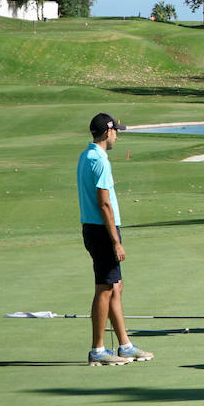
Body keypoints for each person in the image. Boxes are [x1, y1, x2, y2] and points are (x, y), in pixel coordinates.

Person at [77, 112, 153, 365]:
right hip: (102, 230)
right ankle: (97, 351)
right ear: (107, 132)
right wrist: (116, 241)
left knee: (115, 287)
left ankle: (125, 345)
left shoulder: (86, 155)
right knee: (105, 288)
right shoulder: (99, 160)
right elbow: (104, 203)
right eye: (115, 131)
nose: (117, 135)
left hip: (94, 228)